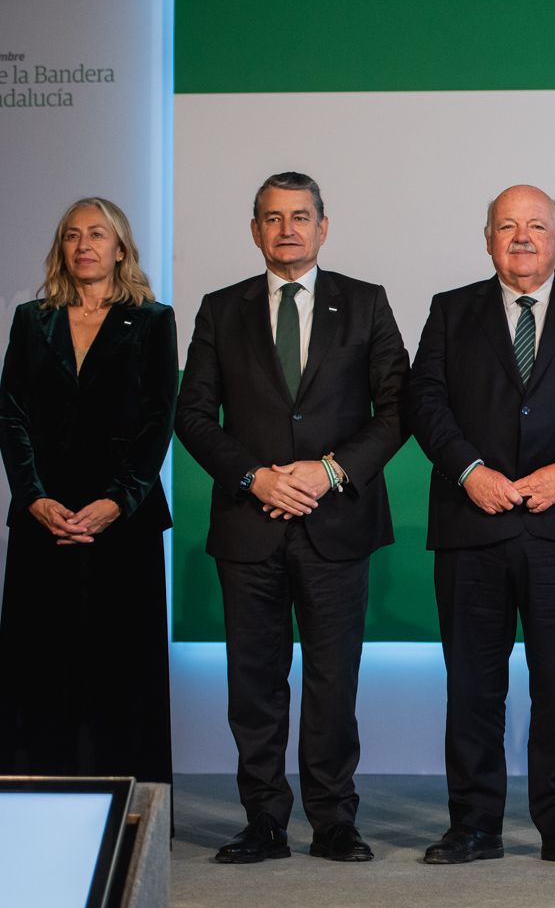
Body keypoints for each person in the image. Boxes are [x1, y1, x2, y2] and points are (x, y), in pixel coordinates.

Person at [176, 172, 408, 863]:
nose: (286, 229)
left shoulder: (365, 304)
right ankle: (264, 821)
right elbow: (192, 414)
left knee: (335, 679)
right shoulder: (221, 310)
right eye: (272, 218)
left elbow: (398, 408)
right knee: (254, 681)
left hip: (337, 523)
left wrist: (329, 470)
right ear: (254, 230)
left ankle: (334, 819)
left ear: (323, 226)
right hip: (250, 524)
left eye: (300, 216)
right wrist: (255, 477)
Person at [405, 185, 555, 867]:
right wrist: (470, 470)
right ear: (488, 238)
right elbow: (426, 402)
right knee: (473, 683)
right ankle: (473, 824)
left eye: (536, 226)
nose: (522, 238)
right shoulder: (451, 311)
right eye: (508, 226)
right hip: (475, 523)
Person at [0, 197, 176, 784]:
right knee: (40, 669)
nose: (84, 245)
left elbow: (160, 419)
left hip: (123, 522)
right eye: (72, 236)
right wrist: (33, 496)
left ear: (120, 247)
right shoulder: (32, 319)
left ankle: (131, 812)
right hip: (42, 519)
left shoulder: (153, 320)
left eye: (97, 235)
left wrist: (116, 502)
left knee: (121, 671)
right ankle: (36, 801)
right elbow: (11, 415)